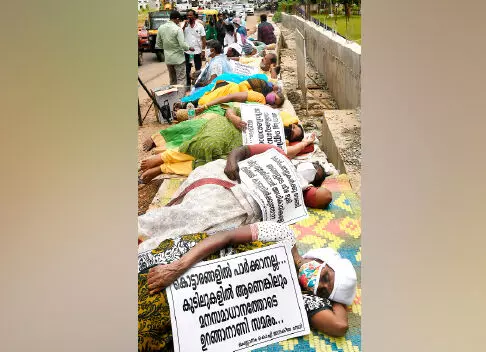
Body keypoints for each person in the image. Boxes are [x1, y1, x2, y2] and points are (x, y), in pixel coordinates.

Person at [138, 221, 357, 351]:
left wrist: (339, 297)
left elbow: (339, 326)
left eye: (323, 289)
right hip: (195, 261)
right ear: (325, 260)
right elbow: (227, 236)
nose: (317, 282)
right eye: (326, 275)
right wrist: (179, 266)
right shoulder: (283, 235)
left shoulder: (302, 298)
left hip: (202, 298)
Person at [138, 144, 332, 242]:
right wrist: (232, 161)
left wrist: (302, 182)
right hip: (229, 175)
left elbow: (326, 197)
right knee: (198, 195)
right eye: (315, 165)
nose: (313, 168)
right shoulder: (277, 154)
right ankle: (141, 229)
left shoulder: (298, 190)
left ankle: (146, 238)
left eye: (316, 174)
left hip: (240, 202)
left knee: (199, 217)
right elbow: (242, 150)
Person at [139, 108, 313, 181]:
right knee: (210, 143)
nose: (289, 131)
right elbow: (230, 109)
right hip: (227, 127)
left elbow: (288, 152)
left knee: (214, 164)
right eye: (291, 128)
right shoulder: (267, 114)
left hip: (235, 148)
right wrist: (234, 118)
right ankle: (163, 158)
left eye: (292, 134)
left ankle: (163, 168)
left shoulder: (279, 143)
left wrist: (305, 142)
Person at [155, 11, 195, 86]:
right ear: (176, 19)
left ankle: (173, 97)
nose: (179, 21)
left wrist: (167, 48)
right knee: (181, 79)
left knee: (172, 80)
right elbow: (183, 45)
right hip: (178, 60)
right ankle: (180, 97)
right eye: (179, 20)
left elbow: (158, 43)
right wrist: (189, 48)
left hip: (168, 59)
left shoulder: (161, 28)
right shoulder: (177, 29)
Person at [197, 78, 285, 107]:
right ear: (275, 92)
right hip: (233, 90)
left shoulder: (262, 101)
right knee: (205, 101)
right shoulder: (262, 84)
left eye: (273, 102)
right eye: (274, 98)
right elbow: (243, 84)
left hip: (235, 100)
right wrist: (248, 95)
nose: (271, 100)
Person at [183, 9, 207, 87]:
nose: (189, 17)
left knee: (198, 69)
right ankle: (188, 84)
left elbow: (203, 38)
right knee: (187, 69)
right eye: (188, 15)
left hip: (197, 51)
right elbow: (180, 34)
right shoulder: (185, 26)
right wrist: (184, 26)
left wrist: (203, 50)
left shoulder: (200, 26)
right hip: (188, 52)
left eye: (191, 15)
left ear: (194, 16)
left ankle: (197, 84)